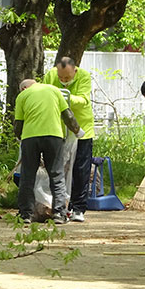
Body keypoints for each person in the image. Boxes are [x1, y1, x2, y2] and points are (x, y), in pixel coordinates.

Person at [14, 79, 84, 224]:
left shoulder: (22, 96)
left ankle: (26, 214)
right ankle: (59, 214)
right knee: (57, 175)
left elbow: (18, 124)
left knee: (27, 176)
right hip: (54, 137)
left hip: (30, 138)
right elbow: (68, 115)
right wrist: (77, 131)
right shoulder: (54, 90)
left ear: (24, 88)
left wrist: (20, 138)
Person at [43, 57, 95, 222]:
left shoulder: (84, 76)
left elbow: (84, 101)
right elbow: (44, 94)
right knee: (56, 168)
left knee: (81, 169)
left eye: (67, 78)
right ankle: (54, 205)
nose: (63, 80)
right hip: (57, 129)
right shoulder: (51, 75)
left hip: (81, 129)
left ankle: (78, 208)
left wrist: (65, 97)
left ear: (75, 71)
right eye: (61, 77)